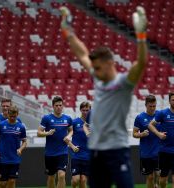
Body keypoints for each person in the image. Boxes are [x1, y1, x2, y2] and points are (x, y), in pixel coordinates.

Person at [60, 5, 147, 188]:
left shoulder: (124, 83)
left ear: (109, 63)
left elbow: (141, 64)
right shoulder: (99, 79)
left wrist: (141, 37)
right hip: (96, 152)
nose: (94, 72)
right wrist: (68, 31)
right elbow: (82, 54)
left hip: (117, 151)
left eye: (98, 68)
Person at [148, 92, 174, 188]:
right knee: (163, 180)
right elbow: (150, 125)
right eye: (173, 100)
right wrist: (158, 134)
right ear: (169, 101)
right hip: (164, 151)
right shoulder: (162, 113)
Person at [37, 96, 73, 188]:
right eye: (56, 105)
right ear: (53, 106)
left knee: (61, 175)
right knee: (51, 177)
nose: (59, 107)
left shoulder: (67, 118)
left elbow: (71, 130)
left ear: (63, 106)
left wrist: (68, 136)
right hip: (50, 153)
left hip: (63, 152)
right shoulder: (46, 118)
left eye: (60, 105)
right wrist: (48, 133)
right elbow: (39, 133)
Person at [0, 105, 27, 188]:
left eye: (14, 116)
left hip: (15, 158)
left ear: (17, 114)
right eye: (11, 116)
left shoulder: (21, 127)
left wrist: (20, 149)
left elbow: (24, 142)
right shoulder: (1, 125)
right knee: (3, 183)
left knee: (12, 181)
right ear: (8, 114)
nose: (12, 118)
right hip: (3, 158)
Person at [133, 95, 160, 188]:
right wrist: (142, 134)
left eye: (154, 106)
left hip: (160, 151)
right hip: (146, 152)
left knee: (159, 175)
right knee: (150, 177)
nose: (152, 108)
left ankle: (157, 185)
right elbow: (134, 134)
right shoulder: (139, 117)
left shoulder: (160, 115)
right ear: (146, 105)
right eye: (150, 106)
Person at [65, 102, 91, 188]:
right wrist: (72, 146)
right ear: (80, 110)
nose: (85, 112)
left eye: (87, 110)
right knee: (76, 180)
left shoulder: (94, 123)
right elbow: (66, 139)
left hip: (88, 156)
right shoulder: (74, 122)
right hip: (76, 155)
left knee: (83, 180)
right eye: (83, 110)